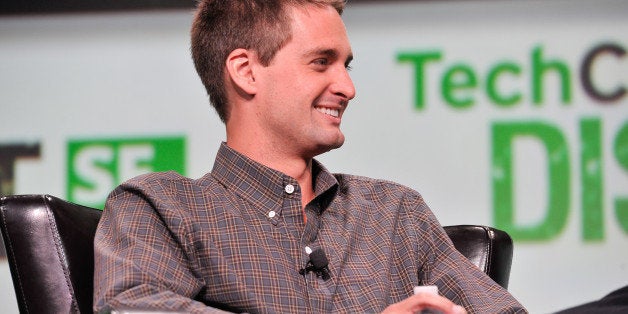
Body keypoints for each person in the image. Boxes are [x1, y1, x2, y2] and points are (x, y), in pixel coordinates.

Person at [93, 0, 527, 313]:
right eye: (321, 63)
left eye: (347, 66)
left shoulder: (396, 213)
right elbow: (134, 306)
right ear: (246, 71)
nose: (347, 88)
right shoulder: (160, 207)